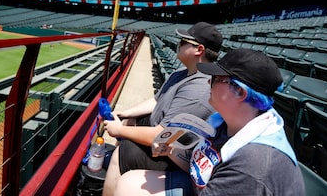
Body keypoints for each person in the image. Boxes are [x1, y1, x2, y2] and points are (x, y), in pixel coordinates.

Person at [113, 48, 306, 196]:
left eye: (215, 79)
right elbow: (203, 170)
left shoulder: (253, 165)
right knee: (129, 181)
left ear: (240, 92)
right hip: (208, 186)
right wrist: (171, 151)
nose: (207, 82)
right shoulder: (227, 122)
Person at [102, 22, 223, 196]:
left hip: (178, 157)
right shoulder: (183, 72)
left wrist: (120, 129)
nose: (178, 44)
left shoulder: (199, 89)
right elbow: (156, 100)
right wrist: (125, 114)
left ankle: (116, 173)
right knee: (133, 120)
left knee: (124, 152)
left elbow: (163, 135)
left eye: (183, 42)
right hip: (165, 140)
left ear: (199, 50)